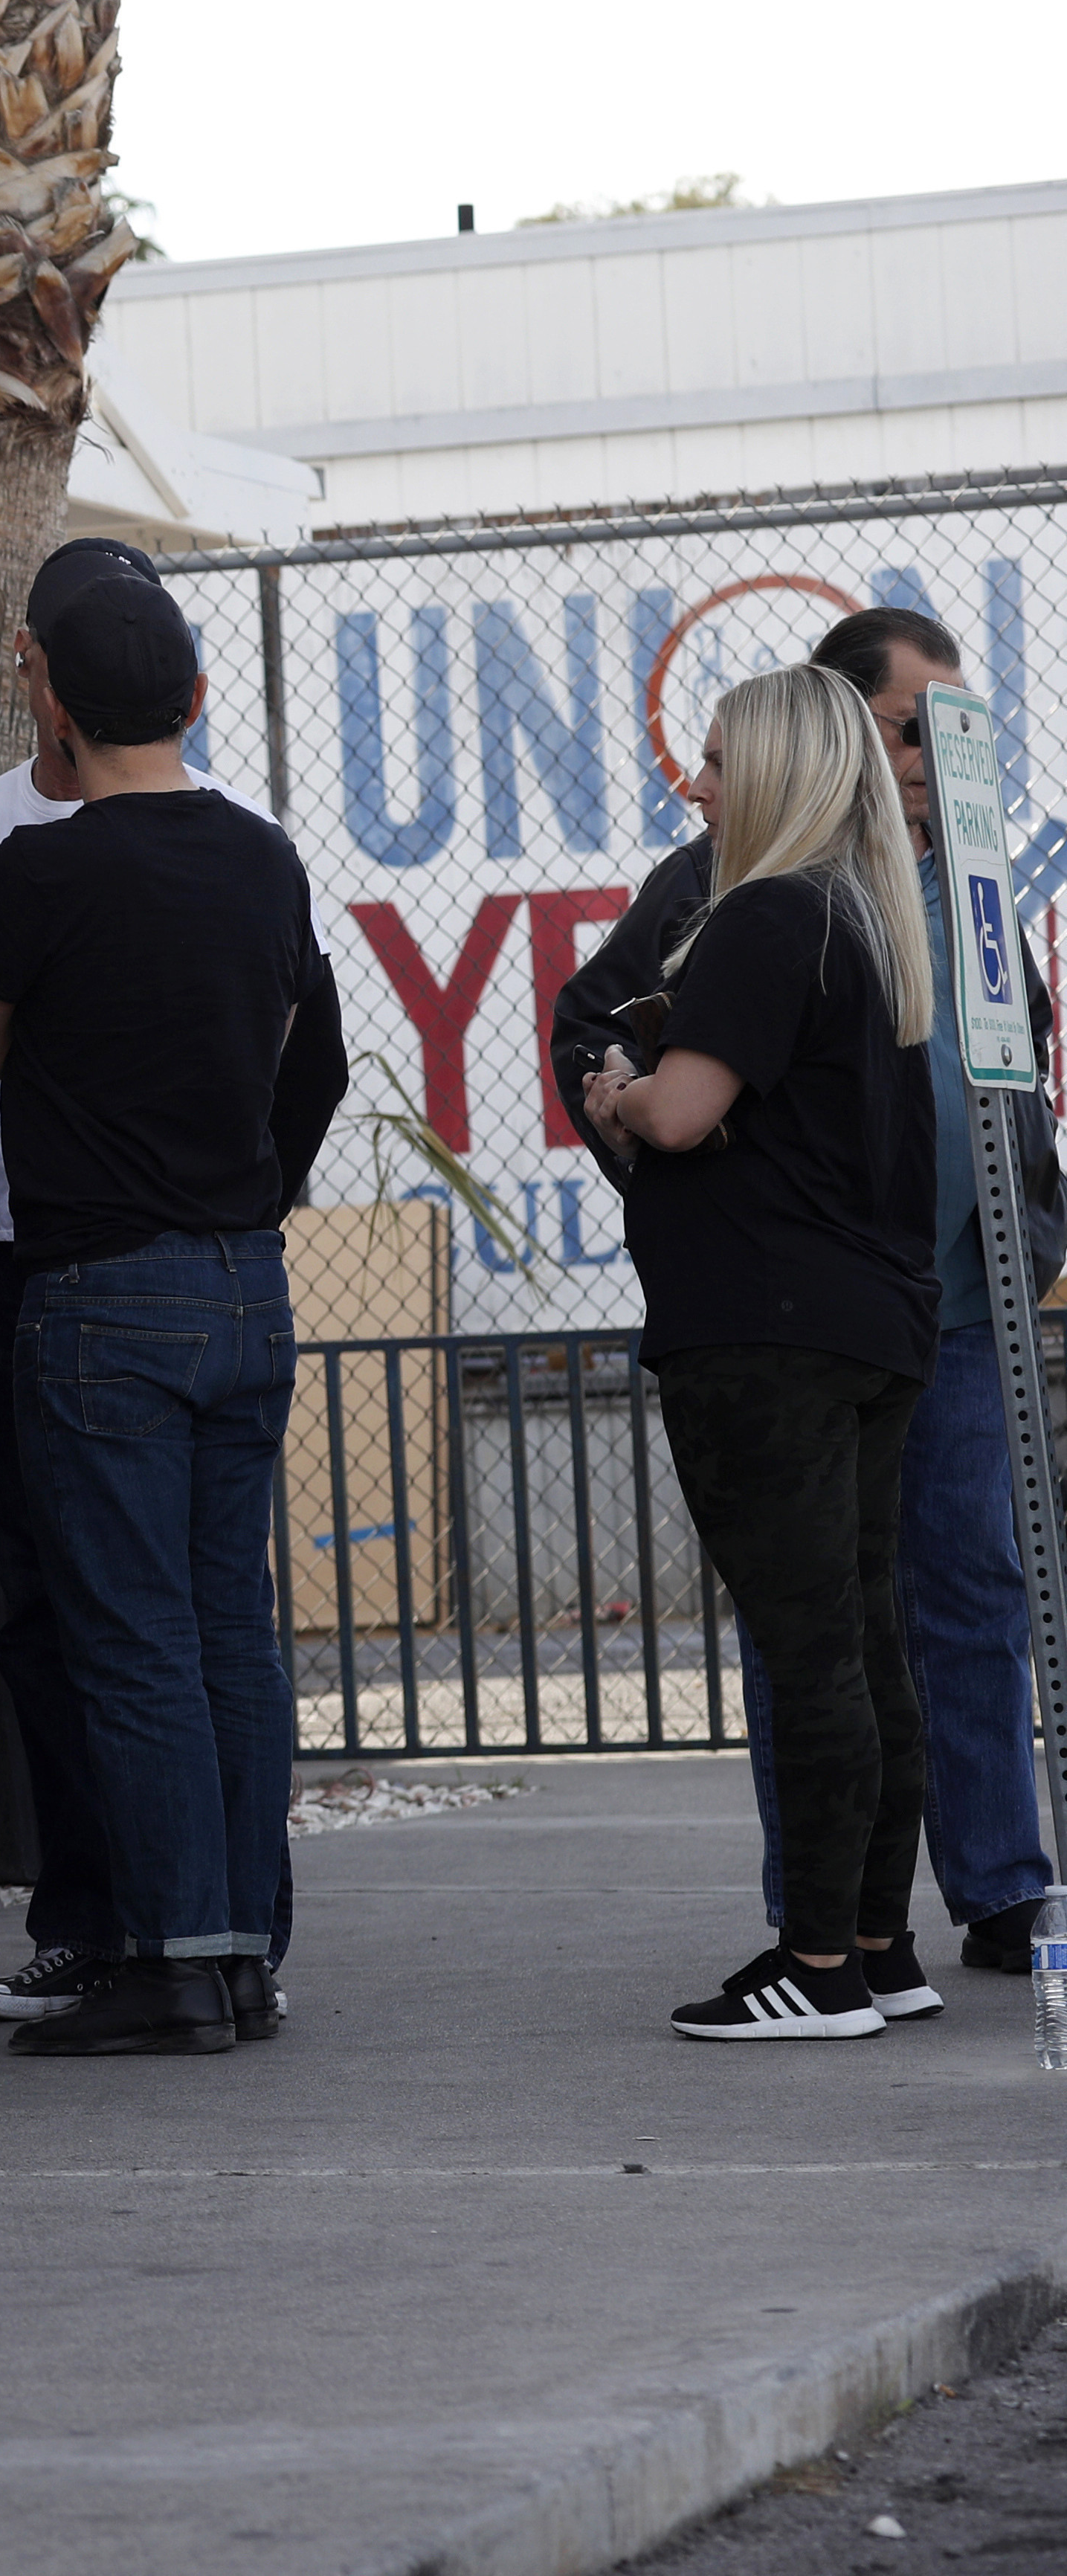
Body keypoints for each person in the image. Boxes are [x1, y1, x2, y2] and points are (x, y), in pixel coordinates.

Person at [553, 611, 1061, 1993]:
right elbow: (599, 1025)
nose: (935, 756)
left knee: (965, 1599)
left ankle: (985, 1897)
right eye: (912, 727)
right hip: (824, 1307)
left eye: (958, 731)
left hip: (946, 1310)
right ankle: (830, 1920)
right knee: (826, 1627)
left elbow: (1015, 1078)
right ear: (838, 727)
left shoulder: (958, 896)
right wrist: (649, 1120)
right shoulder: (732, 883)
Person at [0, 541, 345, 2028]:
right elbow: (307, 1044)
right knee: (229, 1624)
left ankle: (162, 1958)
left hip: (95, 1279)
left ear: (53, 704)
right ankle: (240, 1951)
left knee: (128, 1631)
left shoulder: (37, 860)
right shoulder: (258, 854)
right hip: (242, 1275)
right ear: (197, 694)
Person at [579, 665, 938, 2041]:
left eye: (717, 759)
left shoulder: (766, 916)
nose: (695, 783)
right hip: (870, 1324)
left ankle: (818, 1965)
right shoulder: (867, 921)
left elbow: (676, 1115)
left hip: (767, 1333)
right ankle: (877, 1943)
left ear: (780, 773)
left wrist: (619, 1089)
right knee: (863, 1637)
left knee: (810, 1651)